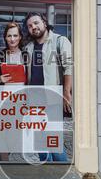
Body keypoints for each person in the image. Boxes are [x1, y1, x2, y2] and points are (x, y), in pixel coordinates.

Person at [22, 11, 72, 162]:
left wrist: (66, 94)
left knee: (54, 143)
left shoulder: (59, 41)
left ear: (44, 22)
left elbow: (69, 67)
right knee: (40, 146)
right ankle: (48, 178)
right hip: (34, 101)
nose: (34, 27)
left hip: (53, 100)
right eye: (30, 26)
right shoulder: (29, 47)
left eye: (36, 23)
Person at [0, 21, 26, 162]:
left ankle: (11, 162)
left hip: (20, 101)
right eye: (9, 36)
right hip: (2, 101)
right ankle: (5, 165)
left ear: (20, 37)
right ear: (5, 37)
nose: (12, 39)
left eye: (15, 35)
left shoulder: (27, 55)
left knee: (14, 135)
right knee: (3, 135)